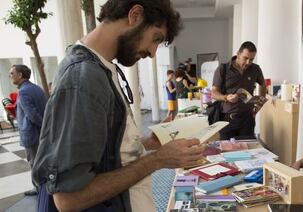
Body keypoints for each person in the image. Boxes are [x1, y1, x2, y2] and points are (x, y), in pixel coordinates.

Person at [32, 1, 205, 211]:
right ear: (135, 15)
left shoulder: (101, 69)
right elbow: (69, 198)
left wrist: (146, 143)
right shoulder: (83, 78)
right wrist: (157, 161)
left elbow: (102, 151)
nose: (152, 52)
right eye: (156, 38)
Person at [211, 41, 266, 140]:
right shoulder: (222, 69)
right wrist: (226, 97)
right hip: (226, 119)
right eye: (245, 58)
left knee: (248, 152)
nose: (248, 62)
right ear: (238, 54)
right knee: (226, 152)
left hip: (247, 119)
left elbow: (263, 84)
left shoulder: (255, 69)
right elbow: (213, 93)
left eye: (251, 59)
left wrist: (260, 102)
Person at [9, 64, 47, 196]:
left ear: (20, 75)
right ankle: (43, 187)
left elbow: (32, 115)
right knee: (41, 160)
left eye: (12, 73)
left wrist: (43, 127)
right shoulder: (36, 88)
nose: (10, 76)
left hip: (32, 134)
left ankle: (39, 189)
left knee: (34, 162)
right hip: (40, 133)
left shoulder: (24, 91)